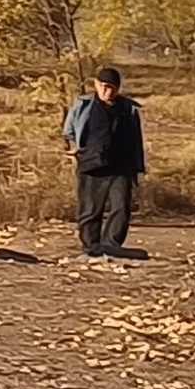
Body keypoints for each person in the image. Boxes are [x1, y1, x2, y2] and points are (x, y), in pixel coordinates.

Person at [66, 65, 148, 258]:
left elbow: (137, 139)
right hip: (92, 163)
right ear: (95, 84)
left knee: (121, 206)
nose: (106, 90)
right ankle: (90, 246)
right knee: (90, 209)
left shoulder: (128, 109)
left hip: (121, 166)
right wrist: (74, 149)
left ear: (118, 88)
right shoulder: (83, 105)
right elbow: (69, 130)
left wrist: (138, 167)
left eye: (111, 87)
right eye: (103, 86)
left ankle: (111, 245)